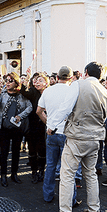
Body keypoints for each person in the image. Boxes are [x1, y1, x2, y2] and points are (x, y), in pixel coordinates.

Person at [43, 62, 107, 212]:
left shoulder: (78, 85)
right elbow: (105, 118)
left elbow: (65, 108)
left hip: (77, 137)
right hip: (95, 139)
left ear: (86, 72)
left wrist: (51, 126)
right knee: (91, 175)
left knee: (67, 175)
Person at [37, 66, 73, 203]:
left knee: (50, 166)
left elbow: (39, 111)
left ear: (57, 77)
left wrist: (48, 123)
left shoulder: (48, 91)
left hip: (51, 132)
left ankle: (48, 195)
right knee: (68, 168)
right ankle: (70, 198)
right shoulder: (72, 91)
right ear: (70, 78)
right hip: (67, 133)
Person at [0, 72, 32, 187]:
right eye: (6, 80)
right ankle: (3, 175)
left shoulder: (21, 95)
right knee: (3, 152)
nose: (7, 83)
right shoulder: (3, 93)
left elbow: (30, 107)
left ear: (16, 83)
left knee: (16, 152)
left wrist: (21, 116)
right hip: (3, 127)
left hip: (17, 128)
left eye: (10, 81)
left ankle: (14, 174)